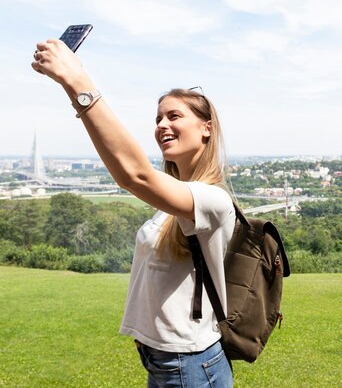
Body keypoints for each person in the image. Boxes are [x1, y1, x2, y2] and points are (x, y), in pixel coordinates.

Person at [32, 38, 235, 388]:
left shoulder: (213, 200)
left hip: (189, 365)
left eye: (174, 116)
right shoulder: (173, 204)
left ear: (206, 128)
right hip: (167, 362)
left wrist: (75, 80)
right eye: (158, 118)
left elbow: (134, 174)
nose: (161, 125)